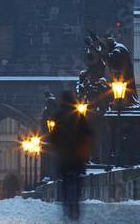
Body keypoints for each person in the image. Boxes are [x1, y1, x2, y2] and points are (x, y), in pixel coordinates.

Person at [50, 91, 93, 221]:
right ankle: (76, 206)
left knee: (63, 182)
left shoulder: (58, 115)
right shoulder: (79, 114)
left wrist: (55, 147)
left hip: (64, 155)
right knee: (78, 180)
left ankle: (67, 206)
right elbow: (89, 133)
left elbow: (53, 136)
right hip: (77, 154)